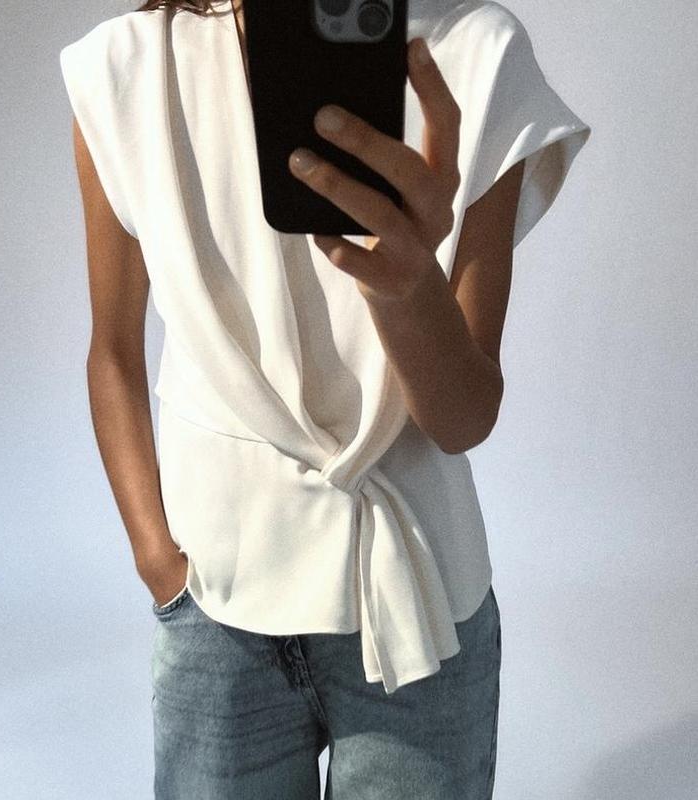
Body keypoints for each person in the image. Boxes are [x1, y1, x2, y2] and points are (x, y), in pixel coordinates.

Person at [59, 0, 591, 797]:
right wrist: (157, 561)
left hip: (421, 608)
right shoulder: (129, 66)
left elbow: (464, 418)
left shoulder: (475, 53)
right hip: (214, 601)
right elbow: (112, 350)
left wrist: (408, 287)